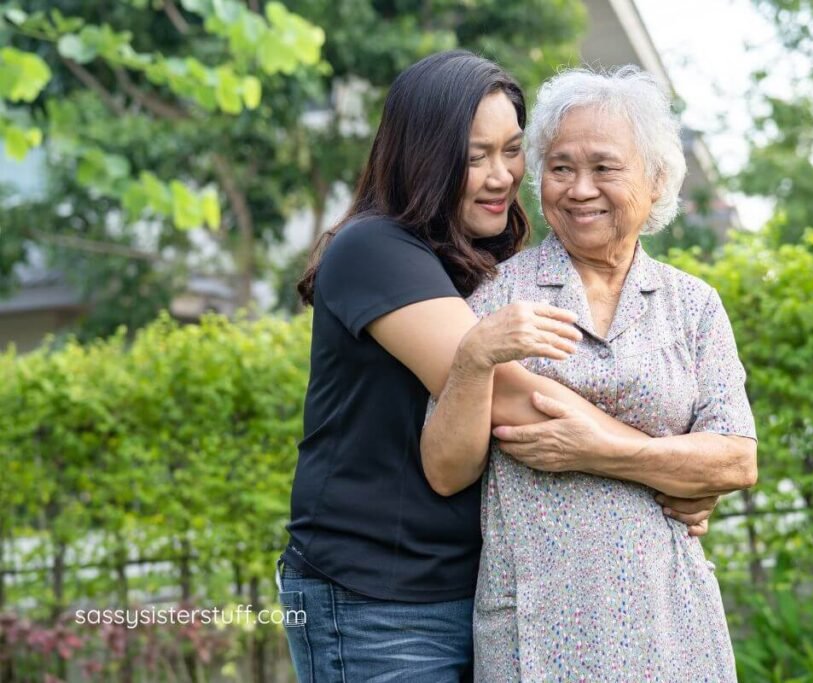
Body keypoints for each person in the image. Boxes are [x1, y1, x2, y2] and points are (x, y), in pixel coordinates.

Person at [278, 51, 716, 682]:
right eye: (474, 155)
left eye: (511, 151)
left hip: (479, 591)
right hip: (377, 600)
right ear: (422, 156)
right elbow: (515, 403)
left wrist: (678, 469)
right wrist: (672, 470)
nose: (501, 176)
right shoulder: (375, 249)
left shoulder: (488, 255)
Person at [421, 66, 758, 682]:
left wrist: (598, 449)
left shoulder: (693, 306)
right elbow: (445, 472)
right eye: (560, 167)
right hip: (538, 628)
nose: (579, 190)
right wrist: (473, 358)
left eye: (604, 168)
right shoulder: (496, 296)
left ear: (656, 182)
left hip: (672, 622)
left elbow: (736, 459)